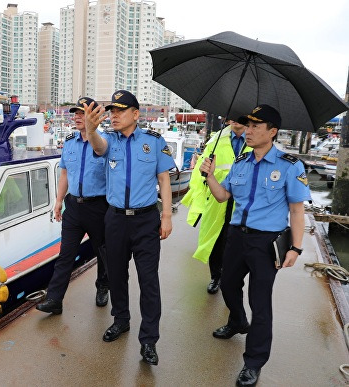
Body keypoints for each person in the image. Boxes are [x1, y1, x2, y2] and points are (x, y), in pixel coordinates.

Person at [199, 104, 311, 386]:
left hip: (266, 242)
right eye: (247, 125)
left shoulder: (289, 165)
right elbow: (223, 196)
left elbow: (297, 211)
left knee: (260, 304)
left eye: (255, 126)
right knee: (226, 284)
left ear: (272, 132)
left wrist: (296, 248)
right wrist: (209, 175)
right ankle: (237, 321)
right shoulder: (241, 162)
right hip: (236, 236)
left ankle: (253, 362)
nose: (247, 131)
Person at [84, 90, 175, 366]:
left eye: (120, 111)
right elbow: (98, 147)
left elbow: (164, 179)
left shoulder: (154, 142)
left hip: (146, 220)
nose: (113, 115)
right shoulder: (108, 140)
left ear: (136, 114)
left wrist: (167, 216)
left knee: (149, 281)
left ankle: (148, 340)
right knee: (117, 275)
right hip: (115, 219)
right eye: (111, 111)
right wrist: (90, 127)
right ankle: (121, 320)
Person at [36, 97, 110, 315]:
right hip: (74, 207)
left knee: (103, 253)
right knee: (65, 254)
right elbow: (65, 174)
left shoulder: (105, 142)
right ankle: (55, 299)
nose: (77, 117)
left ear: (93, 116)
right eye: (75, 113)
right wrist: (58, 202)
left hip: (99, 206)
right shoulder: (70, 142)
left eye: (82, 113)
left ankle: (102, 287)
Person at [182, 117, 251, 294]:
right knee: (216, 239)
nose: (236, 121)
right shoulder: (216, 140)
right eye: (234, 117)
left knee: (238, 241)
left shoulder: (254, 140)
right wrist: (202, 175)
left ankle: (232, 278)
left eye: (241, 117)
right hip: (217, 196)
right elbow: (201, 168)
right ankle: (216, 276)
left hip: (243, 200)